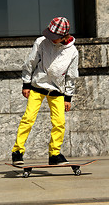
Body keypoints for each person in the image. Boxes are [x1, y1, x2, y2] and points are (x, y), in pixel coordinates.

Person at [11, 17, 79, 165]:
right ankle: (17, 151)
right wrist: (26, 84)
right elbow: (30, 62)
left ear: (64, 36)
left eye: (54, 37)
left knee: (59, 123)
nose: (50, 39)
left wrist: (68, 97)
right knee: (28, 118)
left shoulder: (72, 51)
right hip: (37, 87)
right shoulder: (41, 42)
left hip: (57, 91)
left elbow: (71, 75)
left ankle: (54, 154)